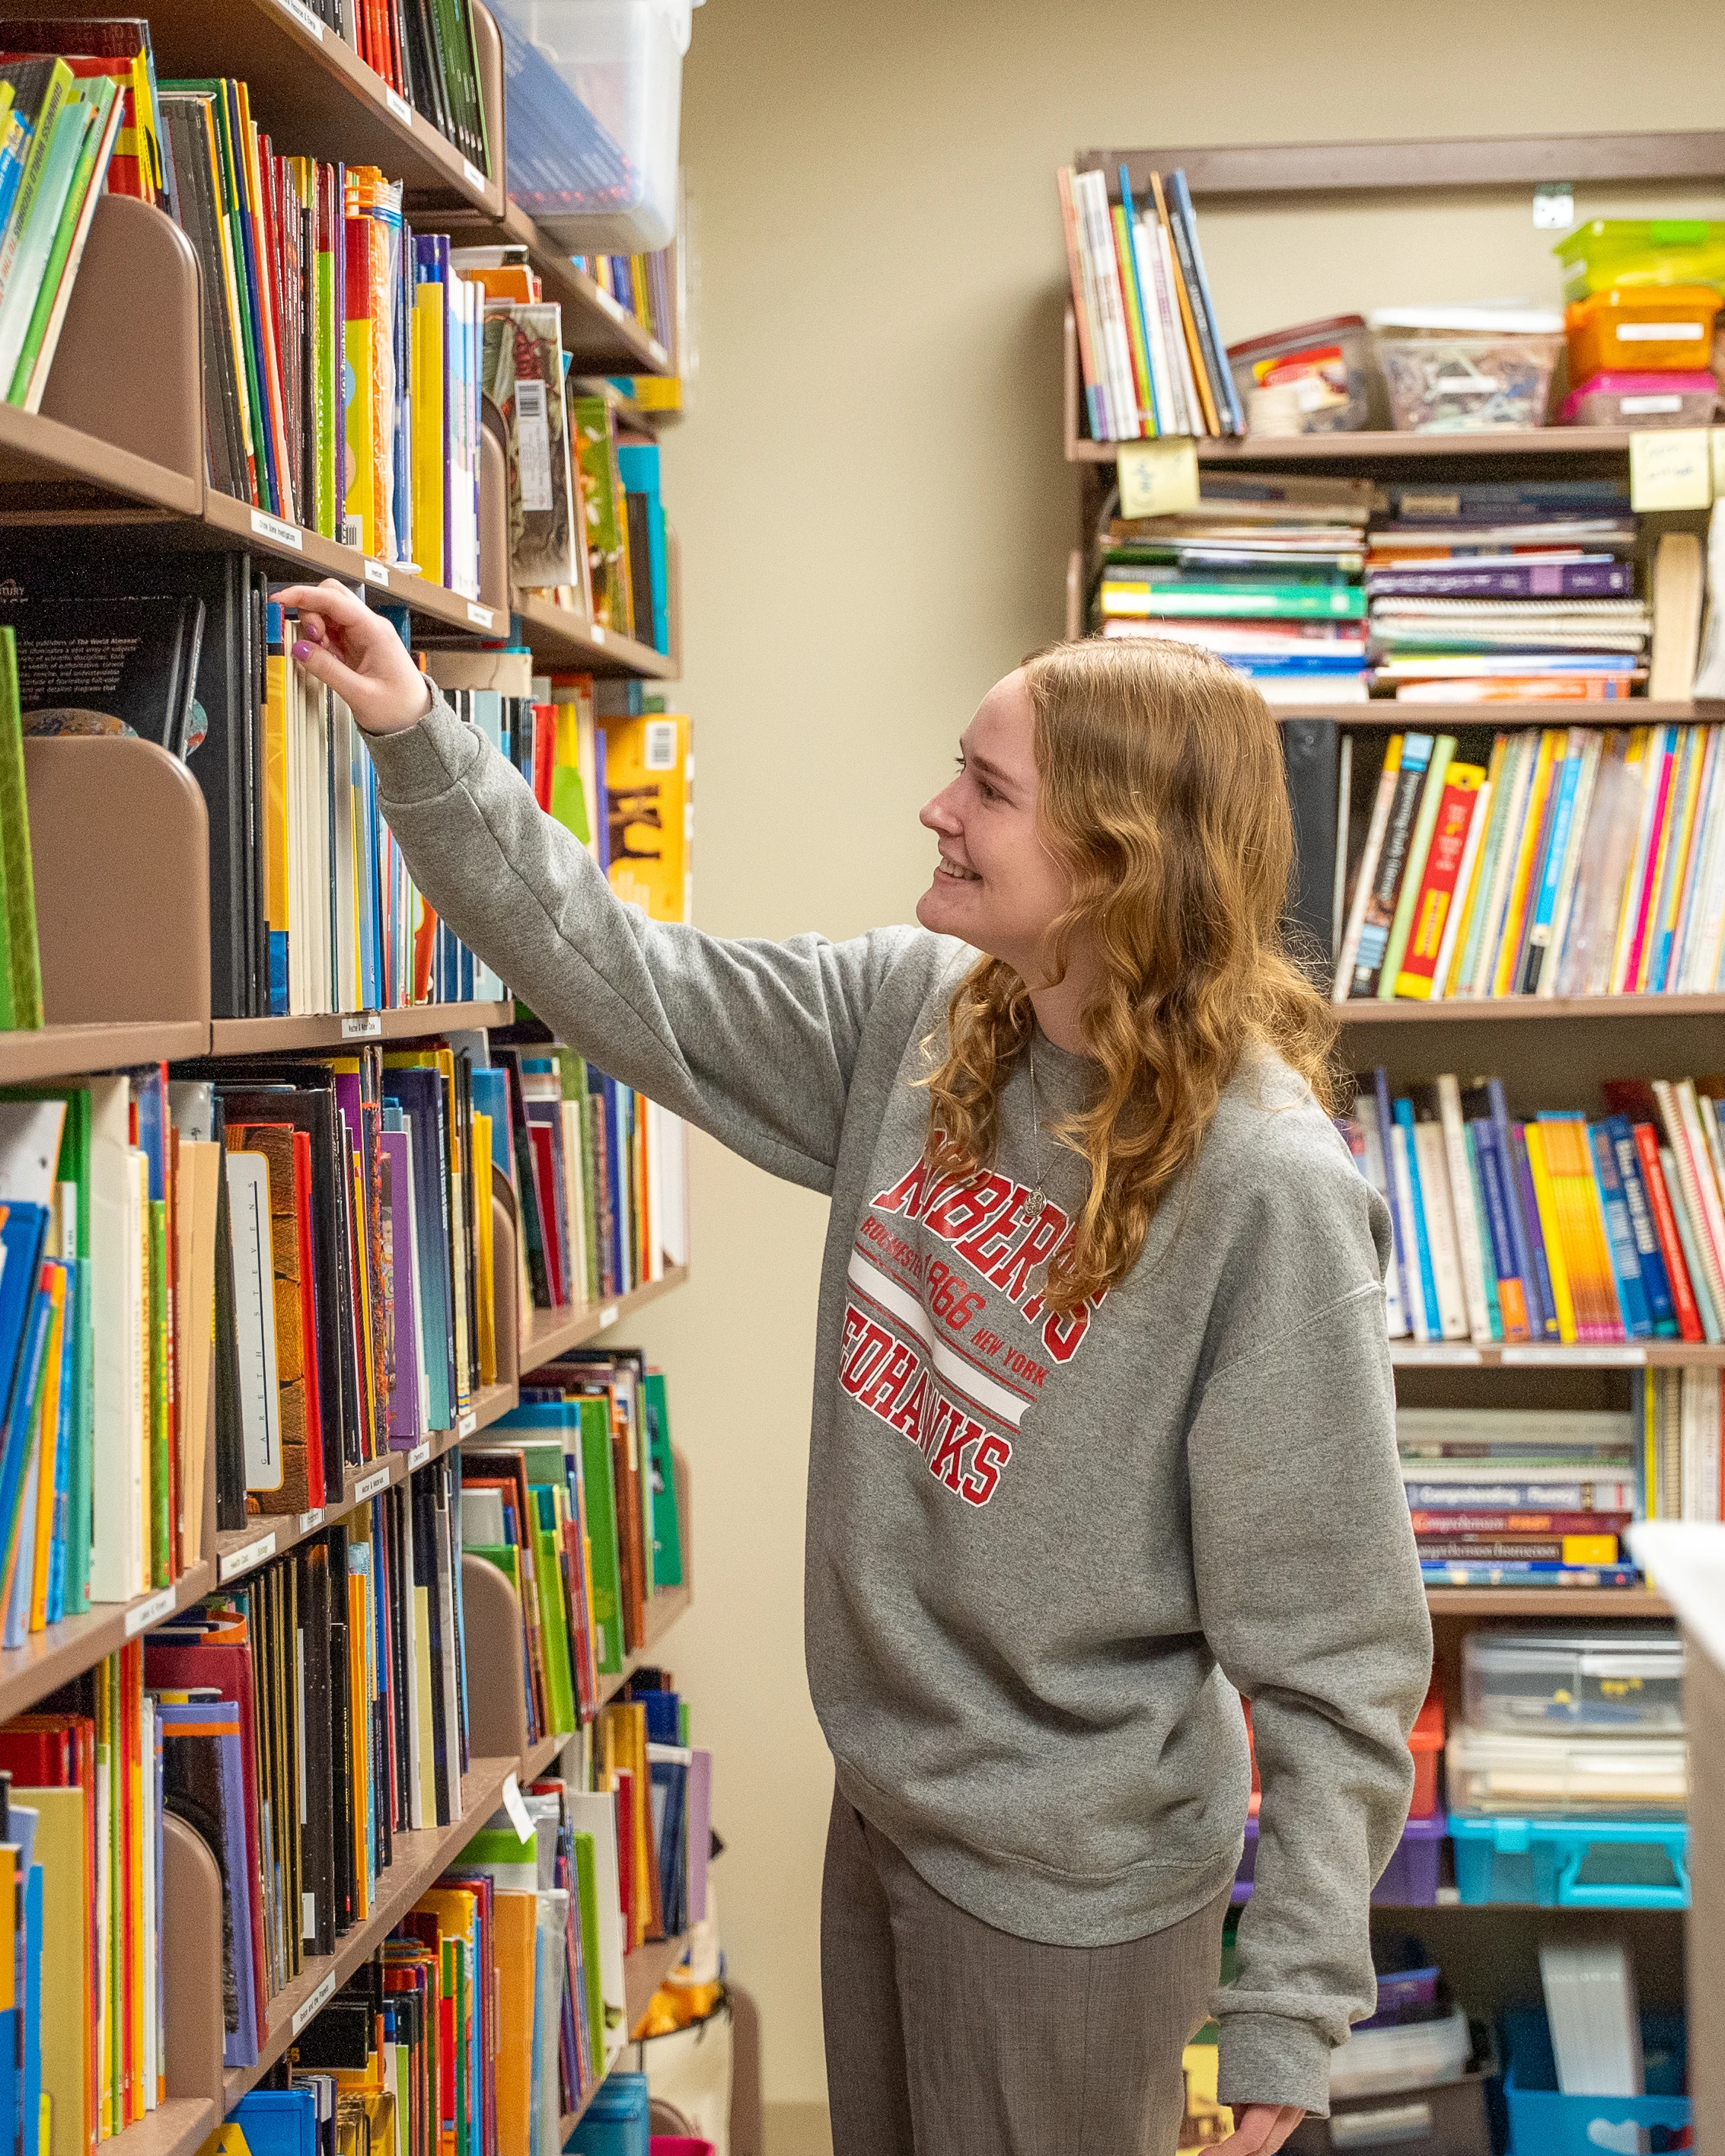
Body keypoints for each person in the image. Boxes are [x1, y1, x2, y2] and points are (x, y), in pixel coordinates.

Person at [277, 583, 1433, 2156]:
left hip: (1072, 1893)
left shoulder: (1264, 1187)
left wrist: (1288, 2013)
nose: (935, 808)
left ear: (1114, 856)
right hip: (887, 1809)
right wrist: (418, 732)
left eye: (988, 788)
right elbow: (620, 972)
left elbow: (1335, 1647)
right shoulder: (919, 1014)